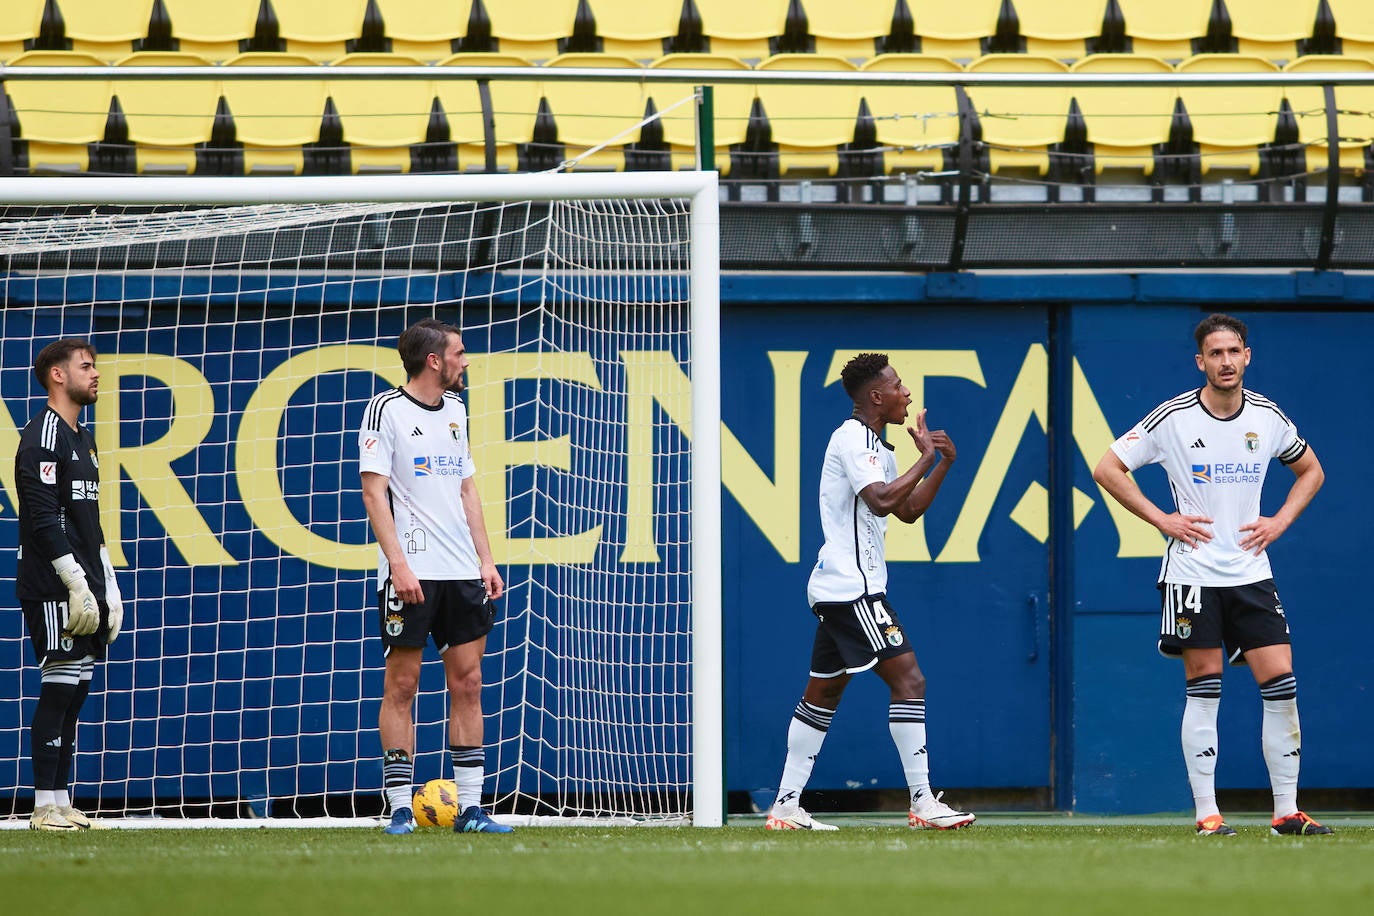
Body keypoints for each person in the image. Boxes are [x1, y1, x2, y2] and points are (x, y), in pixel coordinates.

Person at [1093, 313, 1331, 837]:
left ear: (1248, 356)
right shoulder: (1174, 418)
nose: (1226, 361)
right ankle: (1207, 815)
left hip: (1251, 572)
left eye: (1234, 351)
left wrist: (1280, 521)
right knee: (1205, 690)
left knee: (1283, 688)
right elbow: (1107, 467)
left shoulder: (1267, 417)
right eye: (1215, 354)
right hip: (1192, 574)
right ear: (1201, 362)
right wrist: (1163, 519)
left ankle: (1286, 813)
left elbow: (1311, 469)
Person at [765, 352, 975, 831]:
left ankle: (785, 806)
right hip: (851, 588)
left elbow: (906, 511)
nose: (907, 394)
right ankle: (923, 801)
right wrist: (924, 456)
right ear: (876, 396)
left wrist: (941, 463)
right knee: (910, 680)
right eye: (899, 386)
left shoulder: (881, 449)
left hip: (844, 588)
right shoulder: (850, 437)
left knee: (823, 693)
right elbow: (879, 499)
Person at [359, 319, 511, 835]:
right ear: (433, 361)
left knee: (468, 683)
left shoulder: (456, 412)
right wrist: (398, 564)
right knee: (403, 683)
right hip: (413, 572)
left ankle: (471, 808)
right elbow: (373, 492)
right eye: (460, 353)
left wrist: (485, 561)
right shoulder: (386, 410)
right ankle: (400, 806)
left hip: (462, 571)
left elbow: (467, 491)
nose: (466, 361)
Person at [14, 338, 124, 831]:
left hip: (85, 581)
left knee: (76, 690)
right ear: (58, 376)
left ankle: (61, 802)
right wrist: (75, 581)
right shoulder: (41, 436)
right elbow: (41, 518)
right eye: (86, 366)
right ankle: (42, 807)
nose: (96, 373)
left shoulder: (84, 438)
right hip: (53, 583)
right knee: (58, 689)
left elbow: (88, 519)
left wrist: (108, 583)